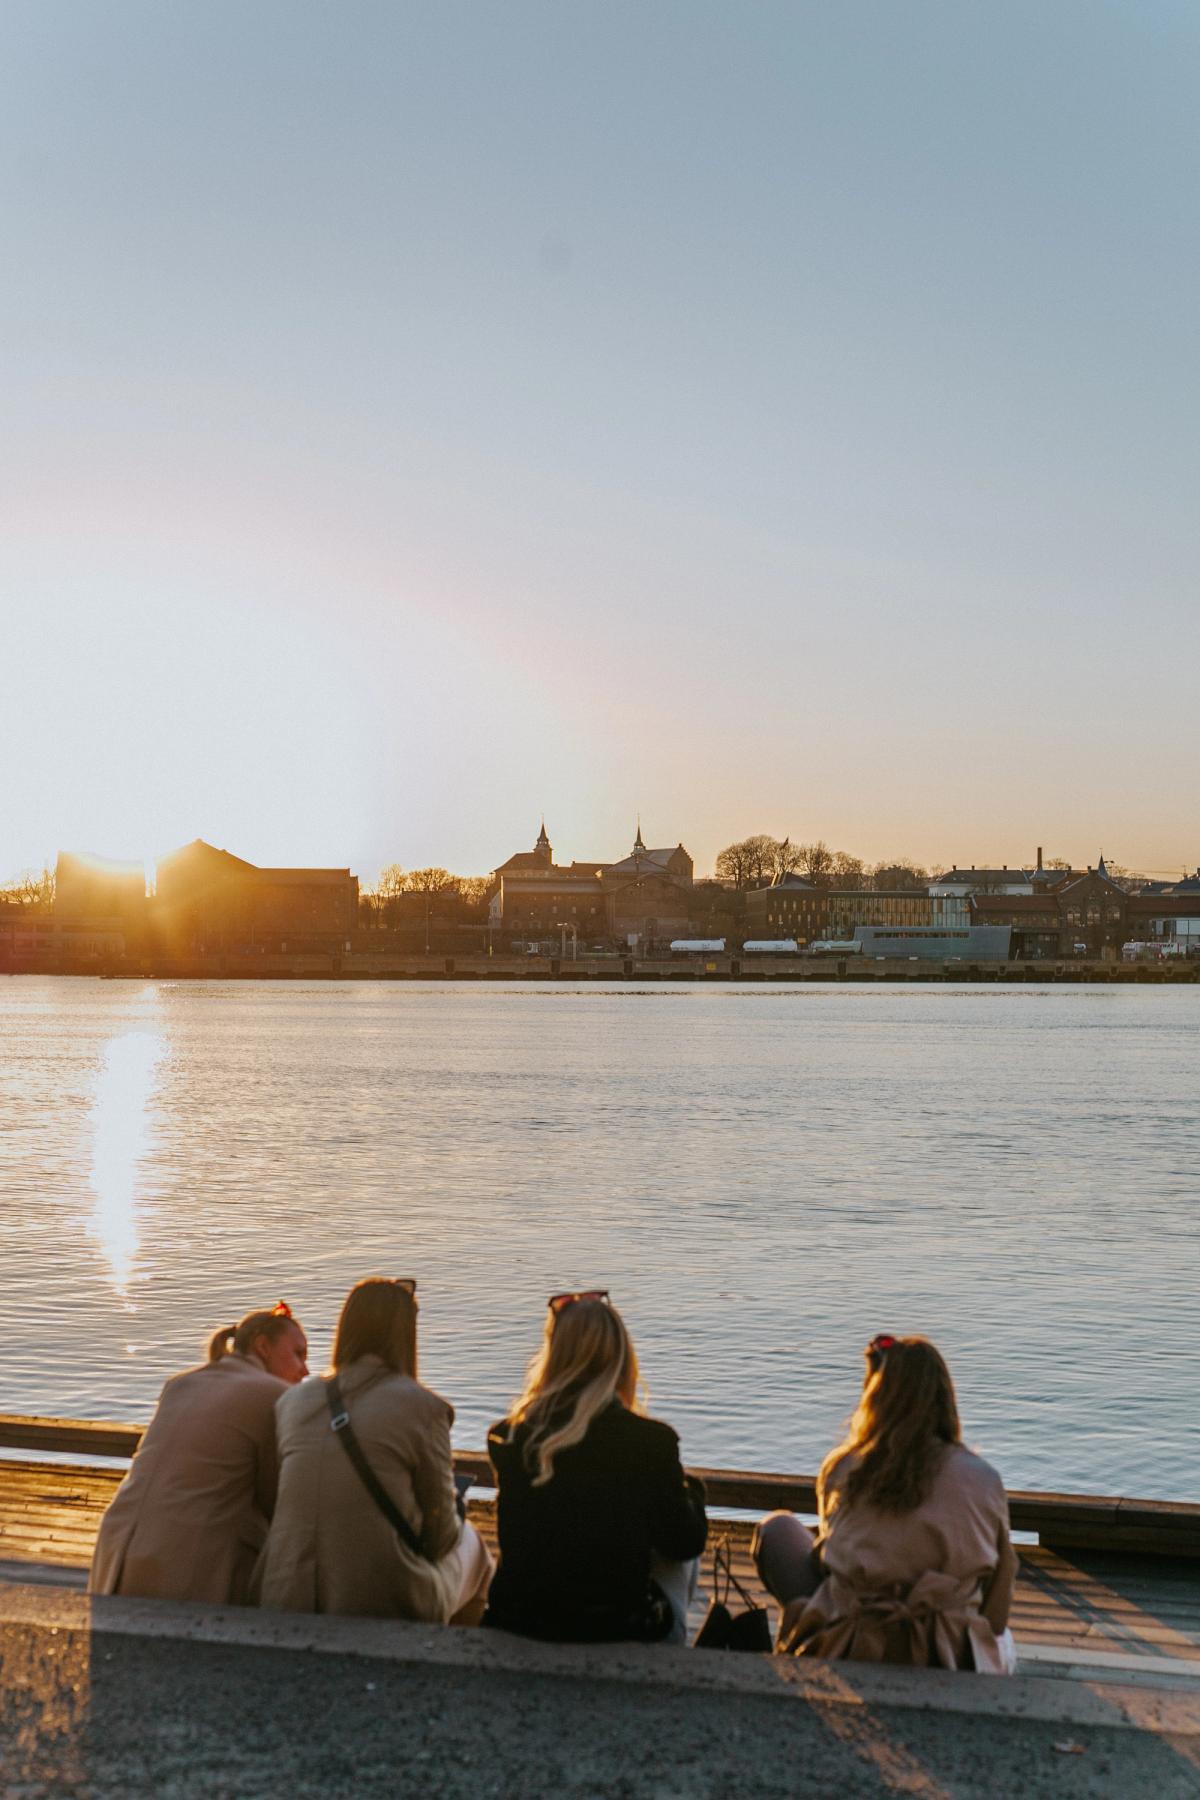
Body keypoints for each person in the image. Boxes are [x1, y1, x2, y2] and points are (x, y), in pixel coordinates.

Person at [754, 1334, 1018, 1673]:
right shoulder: (983, 1479)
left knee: (777, 1530)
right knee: (1003, 1637)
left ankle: (811, 1639)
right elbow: (995, 1617)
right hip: (948, 1654)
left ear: (874, 1396)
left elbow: (829, 1562)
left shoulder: (841, 1467)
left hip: (853, 1641)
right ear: (944, 1398)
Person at [255, 1276, 493, 1624]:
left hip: (283, 1592)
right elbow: (440, 1538)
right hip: (380, 1599)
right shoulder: (424, 1407)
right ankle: (447, 1664)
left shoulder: (292, 1401)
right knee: (475, 1550)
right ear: (406, 1335)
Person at [484, 1290, 707, 1643]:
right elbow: (685, 1542)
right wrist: (692, 1491)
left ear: (553, 1355)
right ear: (621, 1358)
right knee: (677, 1550)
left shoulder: (509, 1437)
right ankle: (670, 1651)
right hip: (616, 1626)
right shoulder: (650, 1440)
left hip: (520, 1620)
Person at [89, 1302, 309, 1604]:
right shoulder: (273, 1394)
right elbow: (279, 1501)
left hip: (115, 1552)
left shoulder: (181, 1383)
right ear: (263, 1347)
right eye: (298, 1354)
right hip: (182, 1562)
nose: (305, 1371)